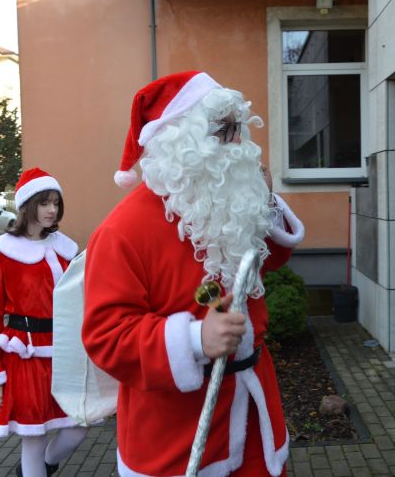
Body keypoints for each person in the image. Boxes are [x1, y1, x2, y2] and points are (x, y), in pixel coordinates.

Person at [82, 71, 305, 476]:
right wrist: (193, 339)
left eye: (238, 129)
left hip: (254, 415)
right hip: (178, 438)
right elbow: (105, 338)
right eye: (224, 130)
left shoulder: (226, 199)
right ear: (180, 142)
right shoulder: (122, 231)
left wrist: (263, 202)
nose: (238, 143)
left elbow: (266, 263)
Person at [0, 168, 88, 477]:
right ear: (27, 205)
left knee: (78, 428)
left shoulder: (67, 247)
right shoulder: (2, 250)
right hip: (24, 354)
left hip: (65, 351)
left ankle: (46, 467)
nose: (52, 210)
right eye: (44, 203)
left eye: (55, 203)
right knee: (33, 438)